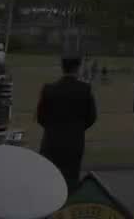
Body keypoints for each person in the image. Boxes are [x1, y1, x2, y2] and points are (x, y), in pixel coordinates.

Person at [38, 55, 98, 187]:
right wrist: (77, 128)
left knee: (48, 180)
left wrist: (52, 128)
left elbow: (40, 117)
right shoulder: (85, 89)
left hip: (51, 141)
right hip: (74, 141)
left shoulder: (48, 89)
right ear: (78, 67)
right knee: (71, 180)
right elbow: (92, 116)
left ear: (62, 67)